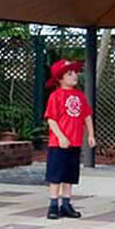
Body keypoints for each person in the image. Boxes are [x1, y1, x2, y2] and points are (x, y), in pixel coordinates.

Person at [43, 58, 95, 220]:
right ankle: (53, 204)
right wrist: (61, 136)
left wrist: (91, 134)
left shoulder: (79, 96)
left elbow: (87, 116)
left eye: (75, 73)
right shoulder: (55, 96)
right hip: (58, 144)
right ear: (60, 78)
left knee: (69, 175)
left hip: (75, 142)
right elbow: (51, 119)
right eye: (69, 73)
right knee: (56, 175)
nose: (74, 76)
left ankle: (66, 203)